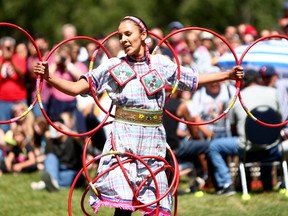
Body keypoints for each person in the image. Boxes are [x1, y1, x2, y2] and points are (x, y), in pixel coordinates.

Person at [34, 16, 244, 216]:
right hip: (124, 144)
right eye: (120, 36)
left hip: (153, 146)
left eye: (128, 34)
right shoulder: (112, 66)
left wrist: (228, 75)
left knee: (154, 206)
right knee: (124, 207)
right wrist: (48, 76)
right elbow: (76, 87)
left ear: (143, 34)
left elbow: (193, 80)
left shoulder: (162, 64)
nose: (123, 40)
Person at [207, 70, 281, 196]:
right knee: (265, 143)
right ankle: (270, 182)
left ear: (242, 82)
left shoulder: (236, 97)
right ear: (259, 80)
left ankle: (226, 184)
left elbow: (233, 127)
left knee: (214, 146)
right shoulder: (274, 93)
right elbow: (279, 118)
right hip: (273, 145)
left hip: (247, 146)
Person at [31, 112, 84, 192]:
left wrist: (65, 130)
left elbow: (79, 137)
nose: (56, 130)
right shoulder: (52, 141)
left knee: (75, 177)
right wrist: (48, 140)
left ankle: (47, 184)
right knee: (50, 157)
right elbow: (48, 157)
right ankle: (53, 182)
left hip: (71, 171)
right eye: (53, 128)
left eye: (58, 128)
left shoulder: (72, 139)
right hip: (56, 170)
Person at [0, 36, 27, 133]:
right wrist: (3, 60)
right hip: (3, 100)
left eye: (10, 47)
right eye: (6, 47)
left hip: (19, 99)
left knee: (23, 128)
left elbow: (22, 74)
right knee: (4, 128)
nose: (8, 49)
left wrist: (11, 60)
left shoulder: (19, 59)